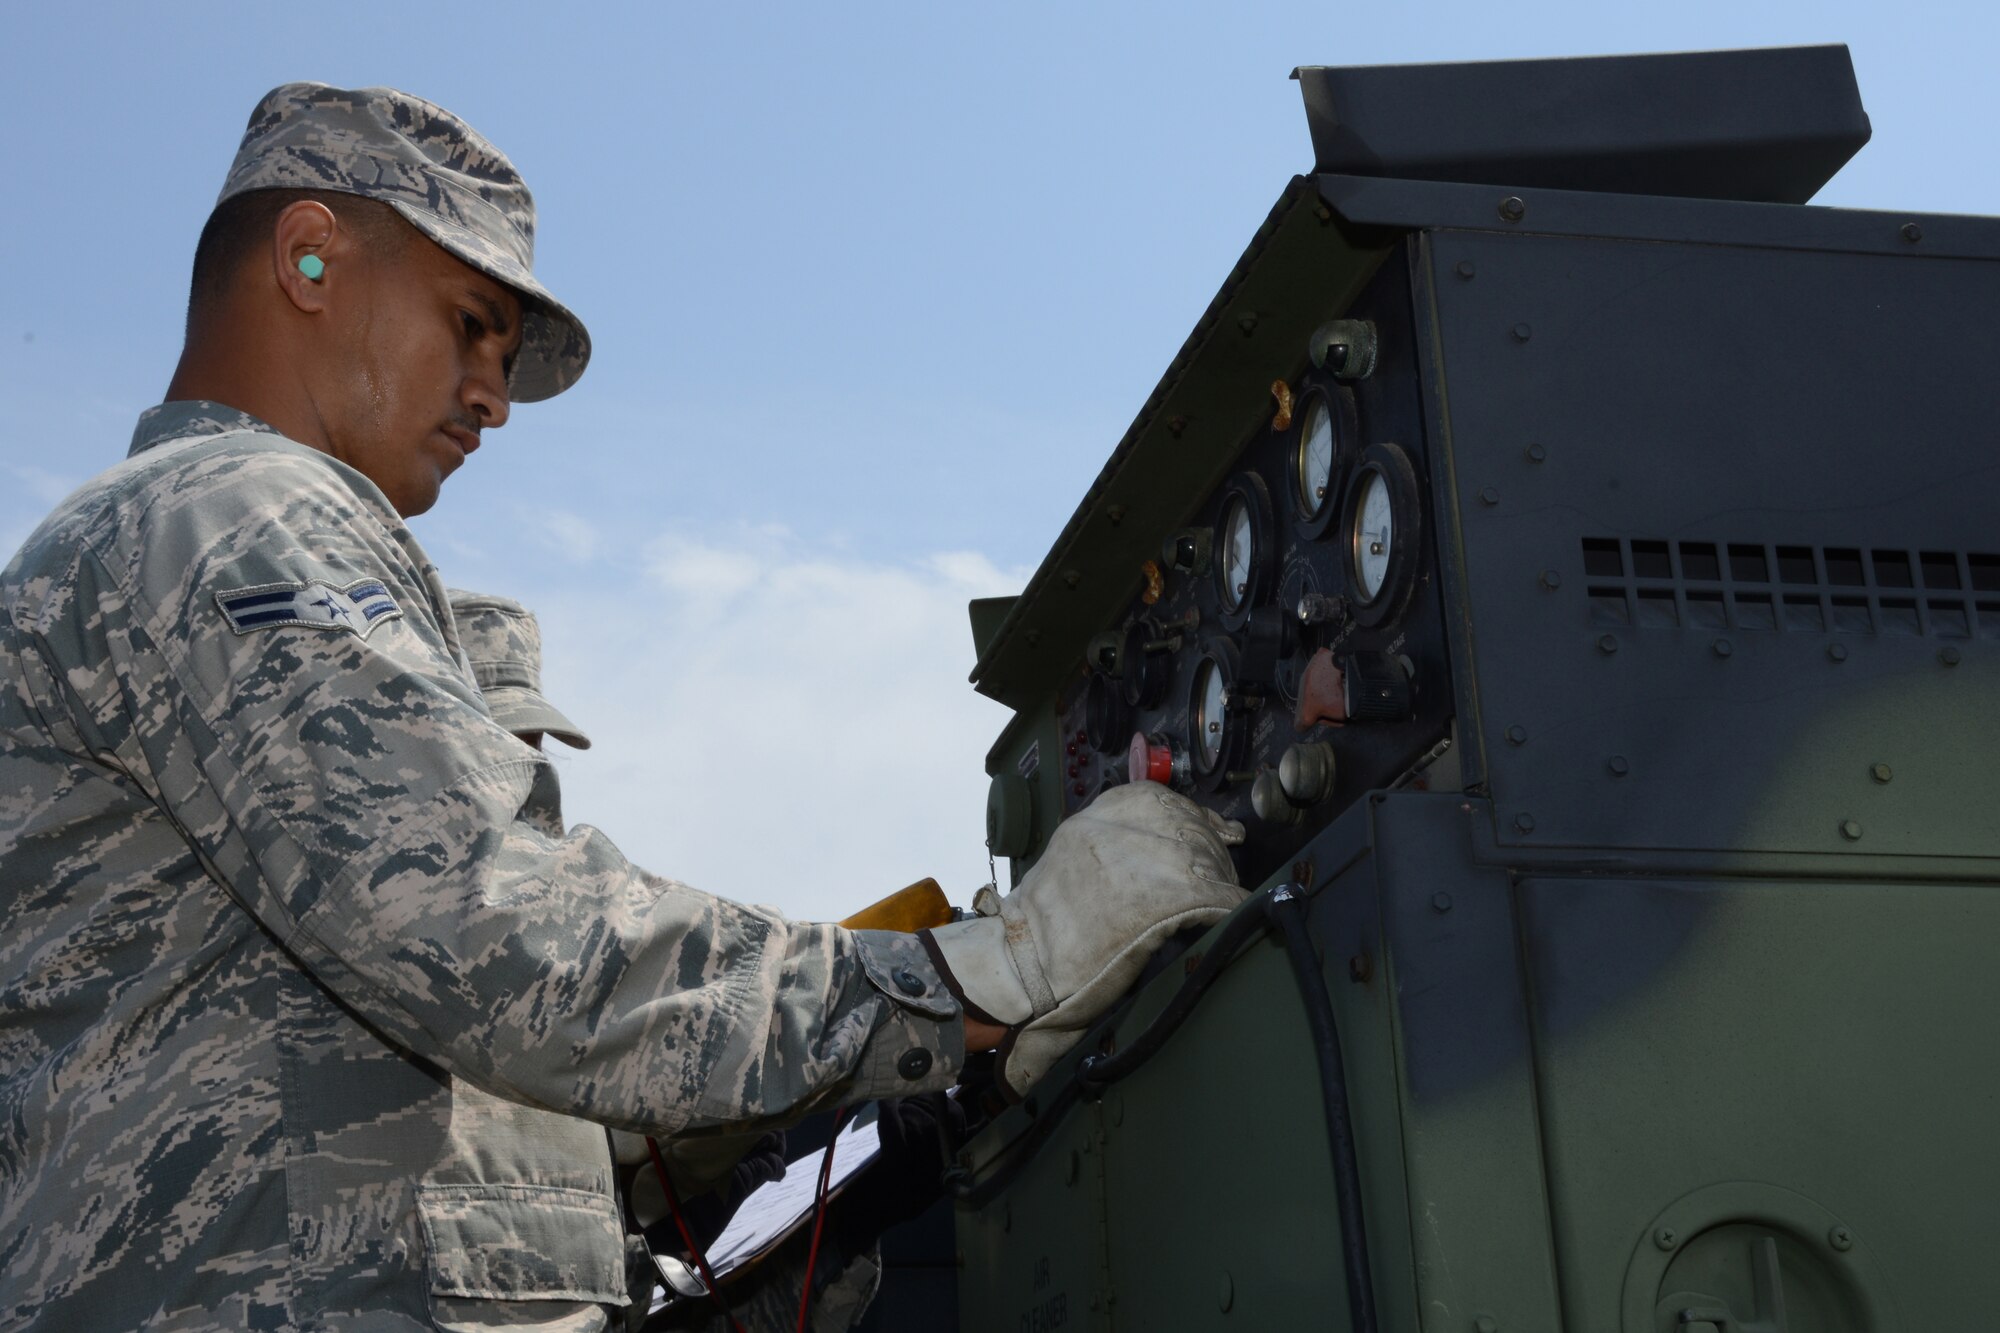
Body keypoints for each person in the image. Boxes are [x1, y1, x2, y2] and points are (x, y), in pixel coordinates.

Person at [0, 83, 1250, 1331]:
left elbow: (380, 1064)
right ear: (309, 257)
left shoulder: (187, 538)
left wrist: (661, 1164)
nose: (491, 397)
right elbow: (484, 926)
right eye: (471, 324)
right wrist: (972, 978)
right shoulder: (234, 513)